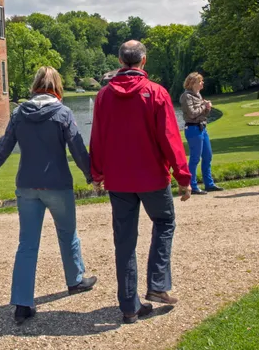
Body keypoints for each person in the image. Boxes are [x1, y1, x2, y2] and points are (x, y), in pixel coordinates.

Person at [0, 66, 96, 326]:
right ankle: (75, 280)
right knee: (67, 234)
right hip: (57, 185)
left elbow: (2, 149)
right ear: (57, 87)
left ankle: (22, 303)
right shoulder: (63, 113)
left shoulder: (19, 113)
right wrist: (92, 175)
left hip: (27, 187)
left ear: (35, 86)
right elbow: (77, 148)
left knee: (27, 245)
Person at [90, 40, 192, 324]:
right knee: (164, 223)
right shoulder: (156, 93)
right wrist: (183, 177)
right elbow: (170, 139)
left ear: (121, 62)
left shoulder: (103, 96)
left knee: (124, 241)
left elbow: (97, 138)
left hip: (119, 180)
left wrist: (97, 174)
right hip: (152, 177)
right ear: (143, 61)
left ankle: (129, 306)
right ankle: (158, 284)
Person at [179, 72, 223, 194]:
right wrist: (204, 106)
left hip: (202, 128)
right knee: (195, 158)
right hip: (193, 129)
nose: (202, 83)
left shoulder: (198, 95)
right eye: (200, 81)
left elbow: (203, 115)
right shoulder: (186, 96)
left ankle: (209, 184)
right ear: (193, 83)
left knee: (208, 156)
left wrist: (207, 108)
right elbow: (192, 113)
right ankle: (192, 186)